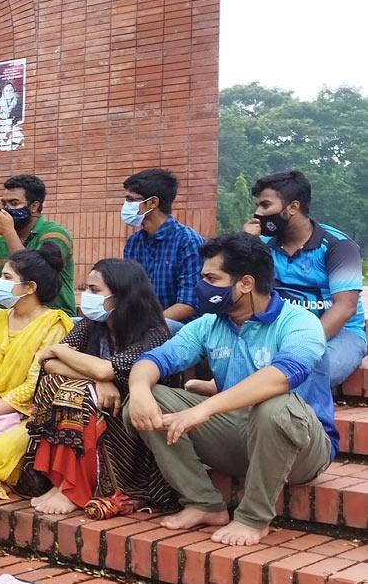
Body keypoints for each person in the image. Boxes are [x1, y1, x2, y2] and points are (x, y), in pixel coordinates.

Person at [125, 232, 337, 547]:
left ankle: (253, 518)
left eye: (212, 278)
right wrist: (140, 388)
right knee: (145, 400)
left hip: (302, 447)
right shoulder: (209, 324)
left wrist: (204, 408)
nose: (202, 286)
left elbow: (281, 377)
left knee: (273, 407)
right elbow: (155, 360)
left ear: (246, 284)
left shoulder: (299, 323)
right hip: (239, 435)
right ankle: (203, 502)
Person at [20, 259, 178, 516]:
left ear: (122, 296)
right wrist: (96, 380)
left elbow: (105, 368)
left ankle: (76, 489)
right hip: (99, 408)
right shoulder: (91, 324)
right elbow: (49, 364)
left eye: (95, 290)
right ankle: (62, 482)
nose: (87, 296)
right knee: (56, 385)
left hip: (134, 421)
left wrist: (63, 352)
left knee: (77, 395)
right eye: (86, 288)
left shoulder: (154, 333)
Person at [0, 244, 74, 498]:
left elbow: (33, 387)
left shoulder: (54, 324)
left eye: (7, 278)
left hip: (24, 417)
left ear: (30, 287)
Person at [246, 170, 365, 387]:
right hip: (281, 329)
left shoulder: (338, 246)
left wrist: (299, 343)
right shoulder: (261, 244)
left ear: (293, 207)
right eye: (257, 206)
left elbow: (345, 307)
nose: (258, 213)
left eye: (265, 205)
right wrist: (245, 246)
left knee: (312, 369)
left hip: (339, 333)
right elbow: (241, 293)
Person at [0, 175, 76, 326]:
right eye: (3, 203)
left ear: (34, 206)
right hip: (12, 317)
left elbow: (36, 277)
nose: (6, 209)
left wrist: (9, 232)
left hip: (52, 317)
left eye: (14, 203)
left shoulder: (55, 235)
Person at [120, 169, 202, 332]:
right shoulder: (134, 243)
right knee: (80, 323)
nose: (125, 206)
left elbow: (188, 304)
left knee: (158, 329)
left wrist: (147, 325)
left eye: (131, 199)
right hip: (143, 325)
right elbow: (128, 293)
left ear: (152, 203)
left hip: (179, 329)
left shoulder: (188, 241)